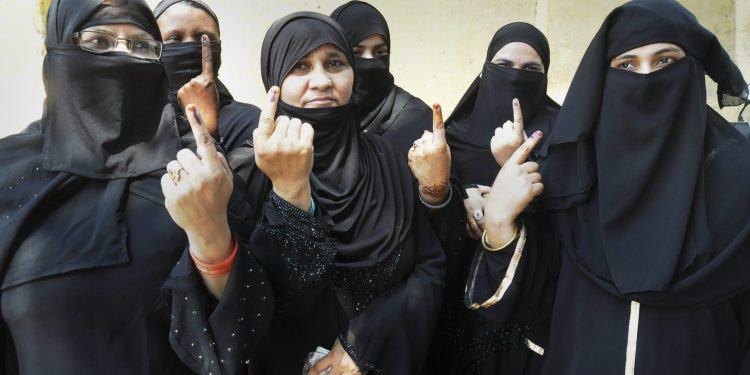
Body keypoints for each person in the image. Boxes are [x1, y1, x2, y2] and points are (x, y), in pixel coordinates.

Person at [0, 1, 322, 374]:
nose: (121, 58)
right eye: (99, 41)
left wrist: (211, 233)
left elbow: (251, 326)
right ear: (57, 50)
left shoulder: (195, 164)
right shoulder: (10, 173)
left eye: (139, 46)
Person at [473, 1, 750, 374]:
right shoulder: (572, 175)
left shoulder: (740, 180)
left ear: (694, 67)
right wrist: (500, 225)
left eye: (666, 60)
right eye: (627, 65)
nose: (646, 78)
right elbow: (532, 304)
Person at [220, 11, 446, 375]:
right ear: (274, 80)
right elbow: (252, 302)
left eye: (335, 63)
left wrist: (363, 343)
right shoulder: (249, 172)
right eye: (300, 66)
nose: (322, 81)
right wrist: (289, 192)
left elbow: (429, 266)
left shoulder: (385, 157)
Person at [422, 22, 559, 375]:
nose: (516, 77)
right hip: (453, 307)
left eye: (531, 70)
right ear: (484, 71)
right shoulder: (449, 139)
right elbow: (424, 227)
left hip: (529, 315)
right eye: (503, 66)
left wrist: (517, 165)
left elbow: (568, 228)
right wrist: (455, 202)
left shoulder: (563, 139)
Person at [154, 0, 261, 152]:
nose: (191, 48)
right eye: (174, 38)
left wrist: (207, 131)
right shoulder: (138, 124)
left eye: (204, 39)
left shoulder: (249, 122)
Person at [330, 1, 432, 157]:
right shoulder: (320, 117)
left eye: (380, 52)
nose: (370, 62)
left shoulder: (418, 120)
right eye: (356, 52)